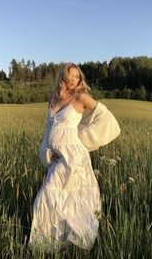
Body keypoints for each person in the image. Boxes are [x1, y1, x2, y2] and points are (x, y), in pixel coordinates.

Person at [28, 62, 120, 254]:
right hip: (57, 156)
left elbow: (105, 116)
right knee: (52, 198)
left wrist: (83, 137)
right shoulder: (53, 97)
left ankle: (75, 242)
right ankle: (49, 244)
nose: (73, 80)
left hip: (73, 157)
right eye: (70, 75)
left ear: (80, 79)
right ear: (62, 76)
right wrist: (46, 149)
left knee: (64, 197)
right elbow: (49, 128)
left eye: (77, 77)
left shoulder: (80, 96)